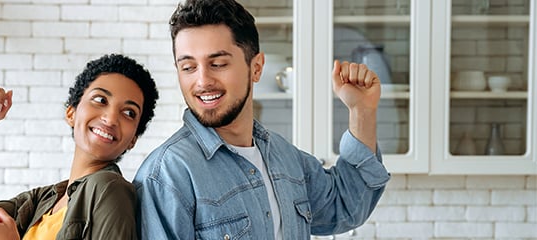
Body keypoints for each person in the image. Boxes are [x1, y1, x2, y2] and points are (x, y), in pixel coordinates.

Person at [133, 0, 391, 239]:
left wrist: (362, 112)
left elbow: (345, 207)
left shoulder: (284, 157)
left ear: (256, 68)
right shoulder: (166, 176)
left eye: (218, 64)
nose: (202, 81)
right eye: (188, 67)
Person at [0, 54, 158, 240]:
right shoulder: (43, 201)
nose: (110, 118)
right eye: (100, 100)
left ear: (133, 139)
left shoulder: (109, 189)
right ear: (71, 113)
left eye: (129, 112)